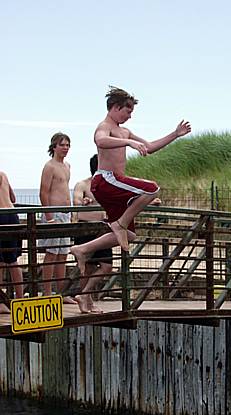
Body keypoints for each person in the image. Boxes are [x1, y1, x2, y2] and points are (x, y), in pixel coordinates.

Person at [70, 86, 191, 275]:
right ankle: (119, 224)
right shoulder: (105, 126)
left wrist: (174, 134)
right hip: (105, 179)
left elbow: (149, 147)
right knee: (152, 189)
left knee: (131, 235)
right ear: (116, 107)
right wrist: (128, 143)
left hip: (113, 184)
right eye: (128, 111)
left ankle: (83, 249)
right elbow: (100, 141)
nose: (130, 116)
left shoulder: (124, 131)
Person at [38, 132, 77, 303]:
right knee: (51, 254)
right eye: (62, 145)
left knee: (63, 254)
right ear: (54, 146)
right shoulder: (49, 166)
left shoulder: (67, 166)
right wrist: (49, 217)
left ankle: (61, 293)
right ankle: (47, 292)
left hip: (65, 214)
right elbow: (43, 192)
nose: (66, 148)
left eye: (68, 145)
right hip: (53, 214)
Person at [72, 154, 113, 313]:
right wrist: (84, 201)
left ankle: (84, 296)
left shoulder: (108, 186)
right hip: (85, 229)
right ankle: (87, 302)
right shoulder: (83, 184)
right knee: (87, 268)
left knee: (106, 266)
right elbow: (76, 201)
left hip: (102, 229)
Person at [0, 171, 24, 313]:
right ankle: (20, 299)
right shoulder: (3, 174)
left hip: (0, 216)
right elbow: (13, 198)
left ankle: (1, 303)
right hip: (12, 215)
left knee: (0, 263)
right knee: (13, 261)